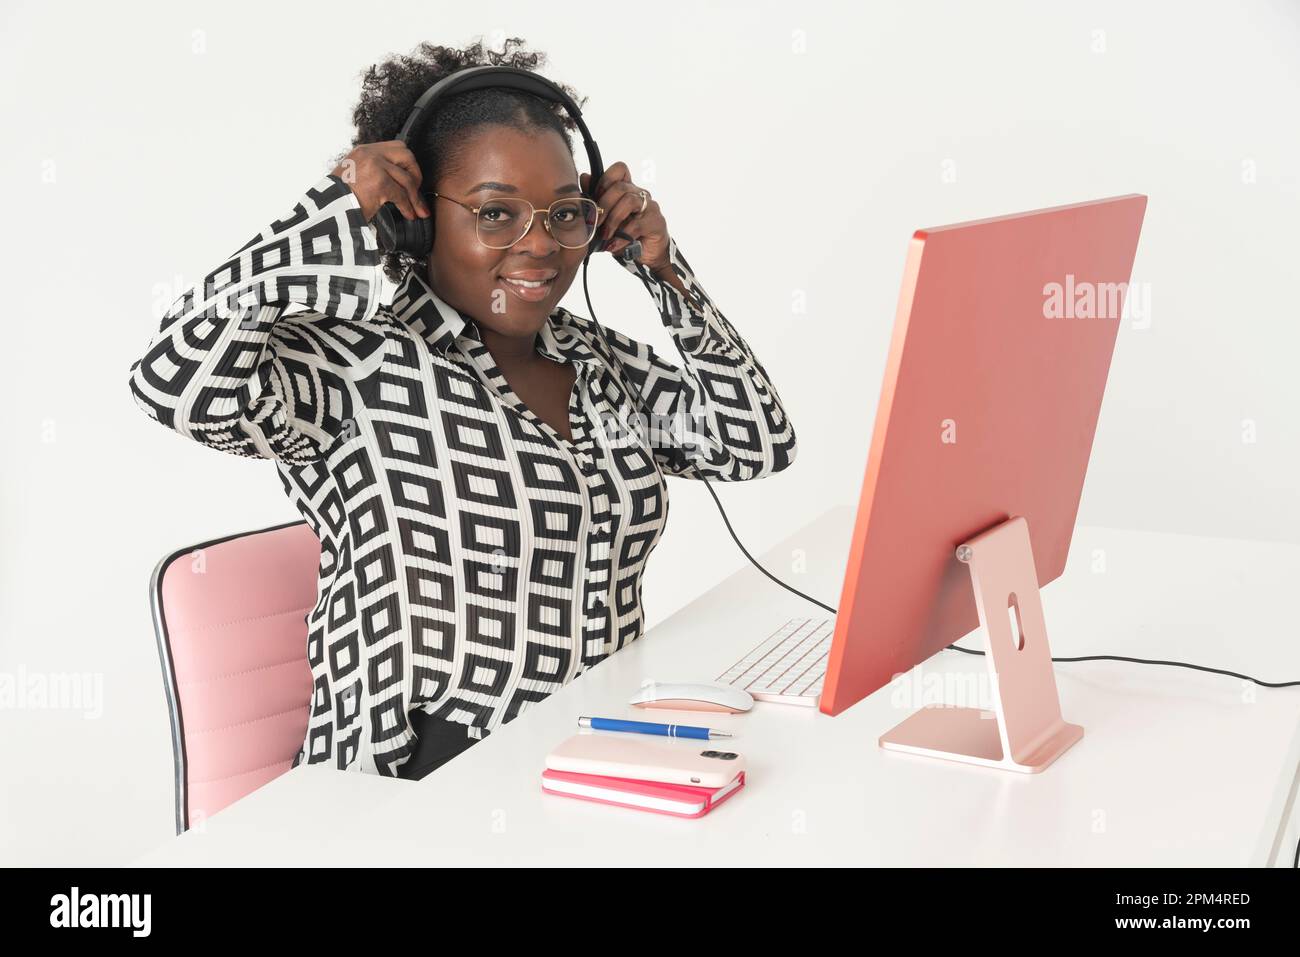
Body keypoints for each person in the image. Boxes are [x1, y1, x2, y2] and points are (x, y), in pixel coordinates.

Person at [127, 37, 797, 780]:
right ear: (413, 219)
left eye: (563, 213)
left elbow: (755, 441)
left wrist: (666, 274)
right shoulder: (354, 363)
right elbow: (169, 380)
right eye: (495, 213)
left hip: (594, 753)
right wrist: (333, 211)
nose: (540, 246)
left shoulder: (594, 360)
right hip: (413, 782)